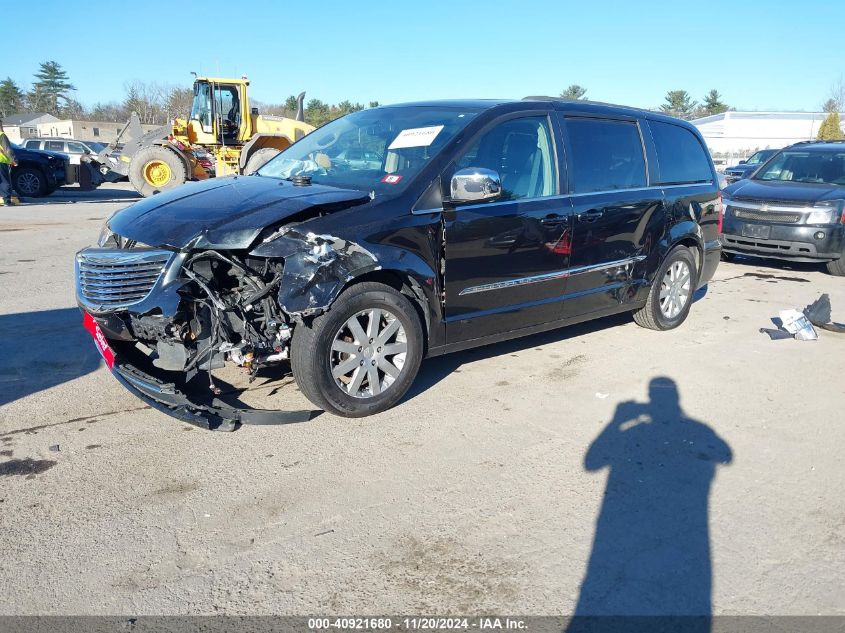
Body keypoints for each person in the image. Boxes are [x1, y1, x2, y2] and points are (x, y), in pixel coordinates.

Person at [0, 120, 18, 206]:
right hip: (1, 161)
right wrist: (13, 160)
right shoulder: (1, 136)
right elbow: (8, 149)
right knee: (4, 181)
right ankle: (7, 201)